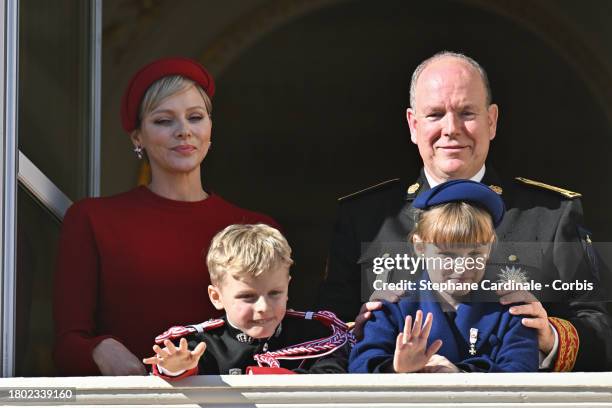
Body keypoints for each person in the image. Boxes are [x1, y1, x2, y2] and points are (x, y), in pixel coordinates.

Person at [318, 51, 612, 371]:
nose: (451, 128)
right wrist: (352, 332)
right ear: (413, 125)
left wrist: (550, 335)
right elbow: (320, 336)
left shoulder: (551, 215)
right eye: (435, 114)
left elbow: (602, 327)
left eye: (466, 113)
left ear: (492, 121)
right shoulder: (365, 217)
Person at [53, 57, 278, 376]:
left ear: (210, 129)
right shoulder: (93, 220)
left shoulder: (257, 229)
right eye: (163, 121)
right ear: (137, 137)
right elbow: (66, 346)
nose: (184, 131)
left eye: (195, 117)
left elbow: (277, 340)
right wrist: (99, 348)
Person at [349, 180, 538, 373]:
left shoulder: (510, 312)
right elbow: (360, 365)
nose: (462, 267)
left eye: (475, 254)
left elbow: (521, 372)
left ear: (489, 247)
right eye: (447, 255)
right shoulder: (392, 308)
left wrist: (461, 375)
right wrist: (395, 369)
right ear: (420, 247)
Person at [143, 224, 351, 378]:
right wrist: (176, 366)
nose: (263, 307)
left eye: (275, 293)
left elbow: (330, 378)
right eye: (247, 296)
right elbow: (178, 371)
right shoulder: (202, 345)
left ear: (288, 288)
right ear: (216, 297)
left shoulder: (317, 335)